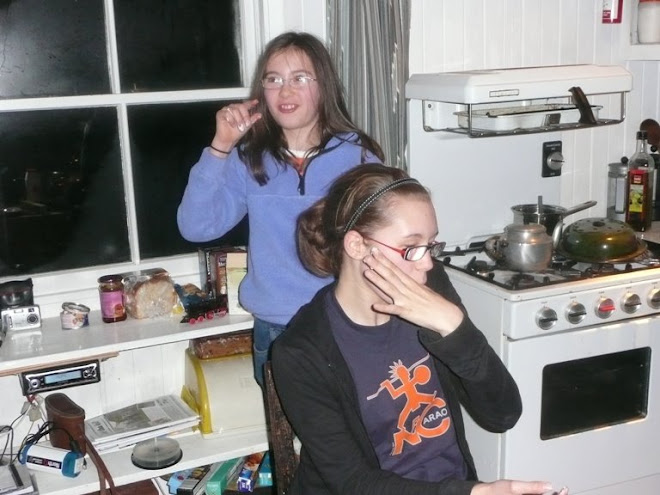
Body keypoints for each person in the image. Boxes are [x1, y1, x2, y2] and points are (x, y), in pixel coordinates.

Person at [271, 164, 569, 495]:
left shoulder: (431, 287)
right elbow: (352, 482)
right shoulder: (302, 351)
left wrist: (454, 326)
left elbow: (502, 414)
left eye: (431, 245)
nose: (426, 263)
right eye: (410, 248)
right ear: (356, 246)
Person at [177, 32, 384, 385]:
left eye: (299, 78)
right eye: (273, 79)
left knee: (347, 438)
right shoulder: (249, 159)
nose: (285, 92)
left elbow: (381, 246)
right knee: (285, 439)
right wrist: (220, 147)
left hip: (345, 324)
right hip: (276, 331)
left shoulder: (360, 157)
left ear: (324, 87)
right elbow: (197, 227)